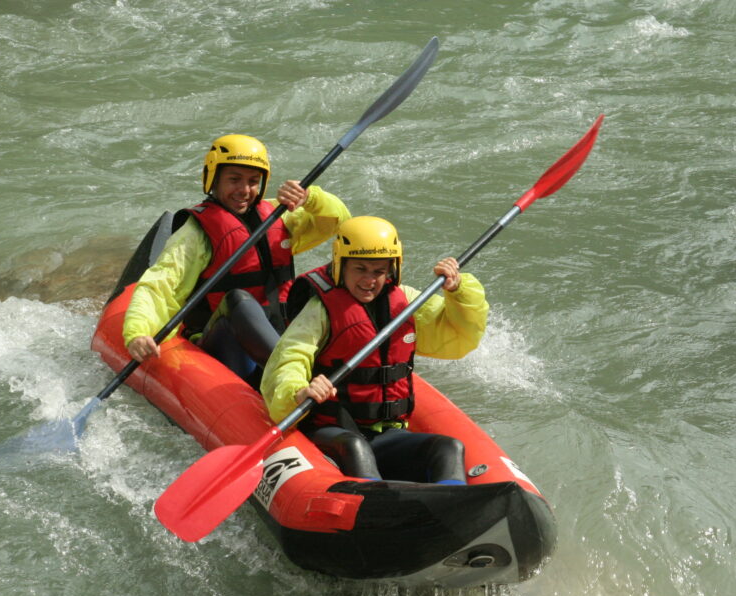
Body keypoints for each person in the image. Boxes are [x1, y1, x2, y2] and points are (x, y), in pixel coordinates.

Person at [261, 216, 489, 484]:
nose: (369, 280)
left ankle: (454, 502)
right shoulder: (320, 310)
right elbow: (290, 359)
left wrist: (459, 292)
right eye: (360, 269)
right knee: (356, 448)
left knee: (448, 447)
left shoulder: (407, 301)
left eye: (379, 271)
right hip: (332, 432)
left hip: (388, 434)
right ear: (340, 265)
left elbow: (457, 338)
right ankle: (374, 505)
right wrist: (299, 391)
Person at [123, 134, 350, 383]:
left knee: (325, 285)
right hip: (222, 348)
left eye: (253, 181)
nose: (244, 190)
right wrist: (138, 332)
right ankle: (292, 376)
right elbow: (160, 286)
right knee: (238, 301)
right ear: (214, 178)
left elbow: (337, 222)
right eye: (234, 180)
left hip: (276, 337)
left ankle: (305, 374)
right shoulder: (196, 233)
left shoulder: (278, 217)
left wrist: (311, 198)